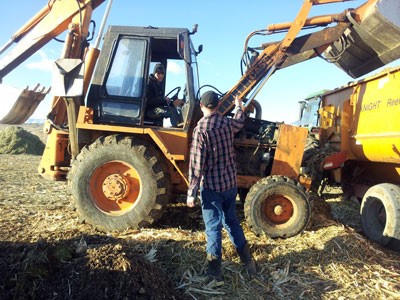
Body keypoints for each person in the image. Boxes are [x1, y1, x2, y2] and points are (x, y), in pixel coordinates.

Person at [186, 91, 257, 285]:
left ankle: (214, 272)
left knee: (213, 228)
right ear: (217, 106)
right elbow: (239, 122)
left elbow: (197, 164)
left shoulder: (201, 129)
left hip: (211, 188)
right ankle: (248, 263)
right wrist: (238, 106)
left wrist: (191, 192)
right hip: (230, 185)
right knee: (232, 221)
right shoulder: (227, 124)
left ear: (201, 106)